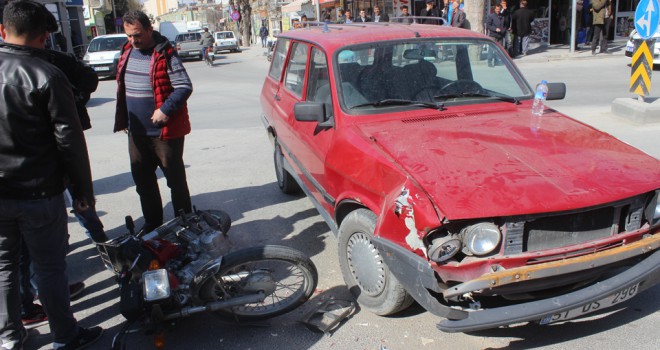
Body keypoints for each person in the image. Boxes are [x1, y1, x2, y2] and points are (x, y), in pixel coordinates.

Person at [0, 1, 104, 349]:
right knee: (49, 267)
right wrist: (83, 193)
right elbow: (69, 143)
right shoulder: (48, 75)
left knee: (5, 268)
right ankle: (64, 336)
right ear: (45, 36)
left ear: (3, 30)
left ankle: (10, 338)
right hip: (39, 193)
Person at [114, 10, 194, 234]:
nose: (133, 40)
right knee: (143, 181)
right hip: (136, 132)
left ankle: (185, 224)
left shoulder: (165, 53)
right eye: (129, 35)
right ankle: (153, 222)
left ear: (150, 29)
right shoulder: (128, 50)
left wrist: (165, 109)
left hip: (164, 133)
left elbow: (184, 86)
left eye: (137, 34)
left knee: (175, 181)